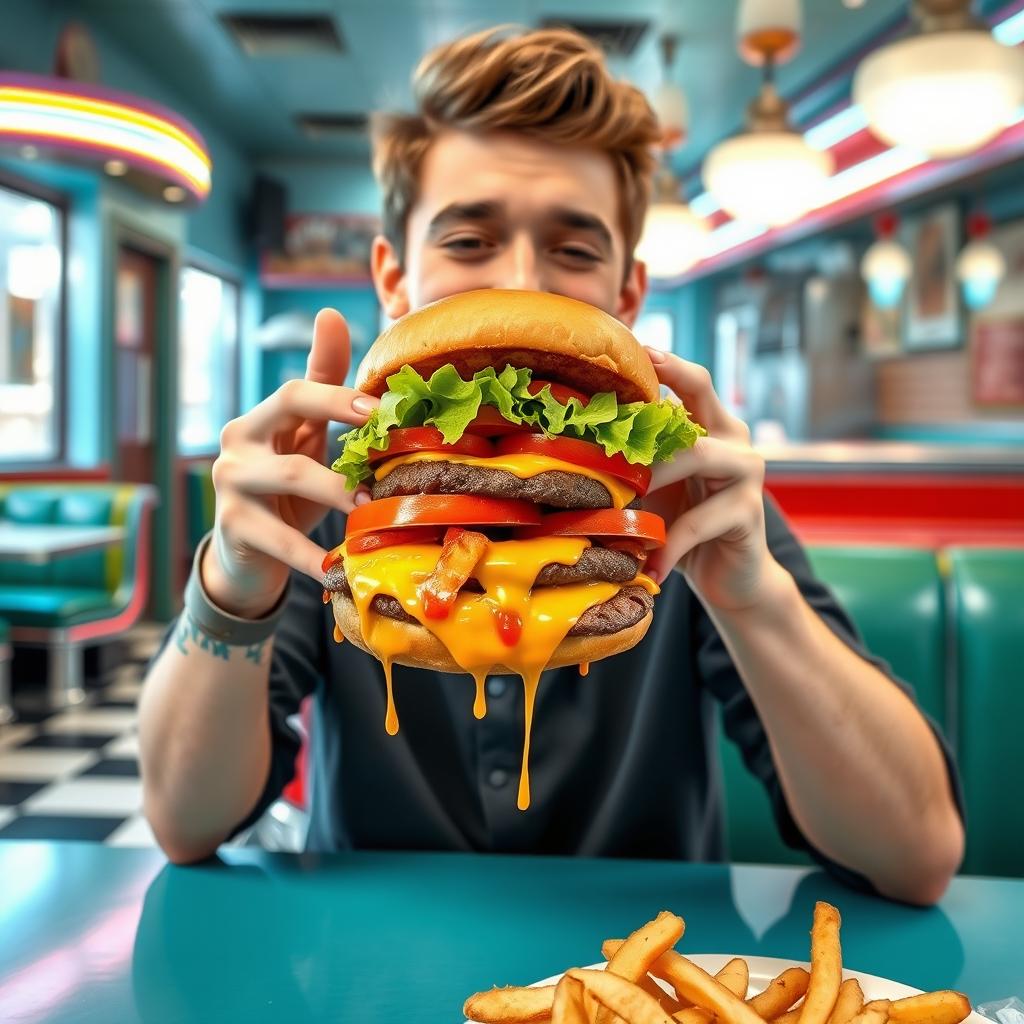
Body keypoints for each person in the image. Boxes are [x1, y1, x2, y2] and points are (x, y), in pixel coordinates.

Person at [139, 27, 964, 903]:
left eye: (574, 250)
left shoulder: (689, 500)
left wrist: (752, 598)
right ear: (392, 277)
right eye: (468, 241)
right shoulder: (335, 493)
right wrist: (232, 585)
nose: (522, 283)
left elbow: (915, 856)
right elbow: (185, 822)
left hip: (638, 981)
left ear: (629, 293)